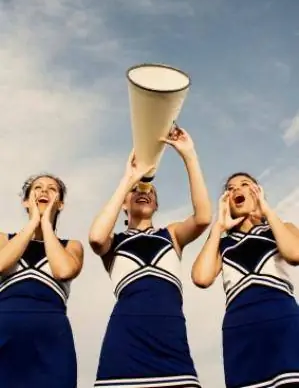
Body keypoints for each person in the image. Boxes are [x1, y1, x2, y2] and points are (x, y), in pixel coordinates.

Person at [89, 126, 211, 388]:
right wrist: (127, 180)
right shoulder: (115, 242)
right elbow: (97, 238)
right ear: (124, 202)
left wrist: (189, 155)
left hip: (171, 347)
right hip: (124, 350)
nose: (144, 192)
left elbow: (203, 218)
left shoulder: (172, 235)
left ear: (156, 205)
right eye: (136, 191)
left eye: (151, 193)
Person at [192, 172, 299, 388]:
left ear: (256, 192)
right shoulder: (223, 245)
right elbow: (201, 277)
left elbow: (294, 254)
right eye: (230, 189)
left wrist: (267, 211)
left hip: (283, 321)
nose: (236, 190)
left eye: (244, 185)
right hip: (240, 329)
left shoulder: (280, 229)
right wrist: (218, 228)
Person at [0, 173, 84, 388]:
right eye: (37, 188)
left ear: (61, 204)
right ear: (26, 201)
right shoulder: (3, 239)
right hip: (5, 333)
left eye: (52, 188)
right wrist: (33, 222)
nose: (44, 191)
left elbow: (63, 270)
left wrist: (46, 223)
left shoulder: (71, 246)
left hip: (52, 340)